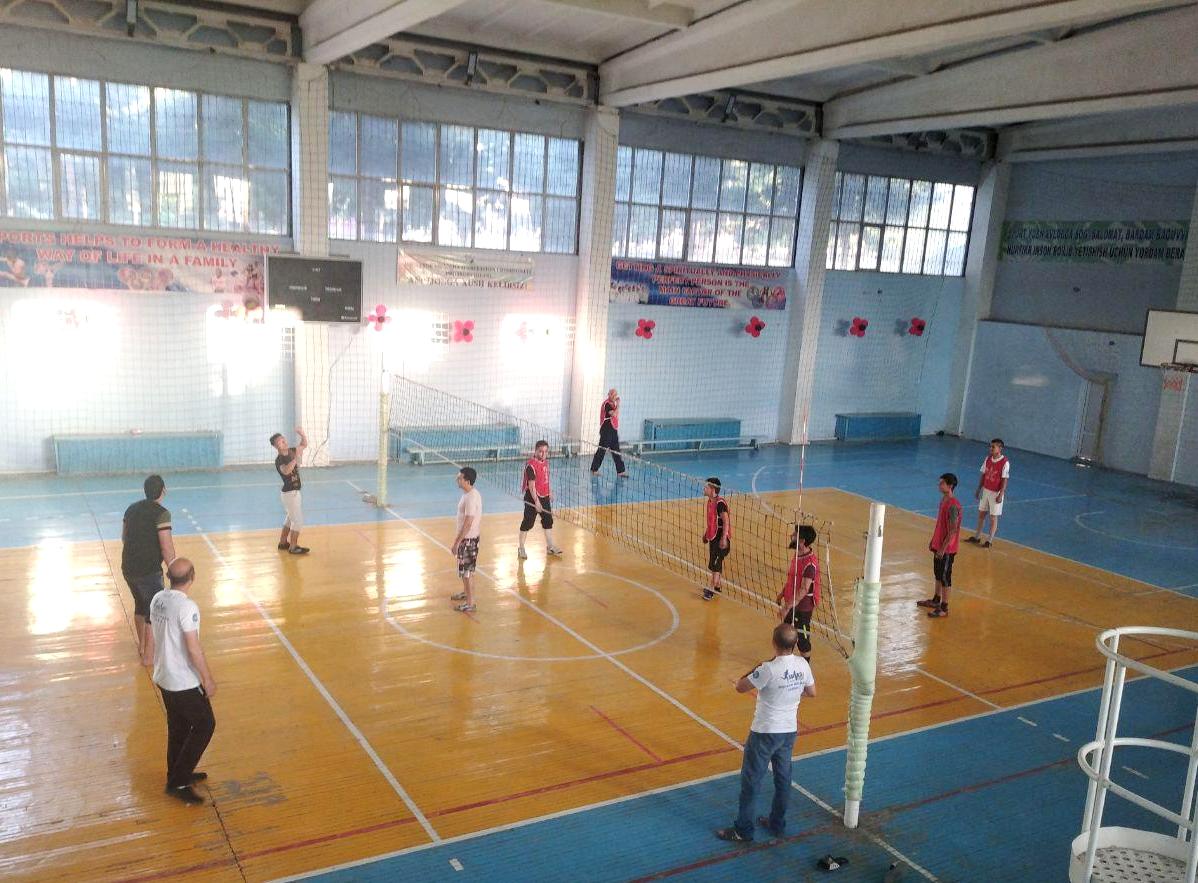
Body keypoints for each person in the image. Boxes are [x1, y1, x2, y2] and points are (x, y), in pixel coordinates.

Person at [715, 624, 816, 843]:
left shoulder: (768, 669)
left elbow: (740, 687)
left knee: (751, 781)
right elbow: (811, 692)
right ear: (795, 643)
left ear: (774, 643)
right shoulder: (802, 664)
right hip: (789, 731)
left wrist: (758, 668)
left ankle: (743, 830)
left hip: (765, 732)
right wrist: (790, 691)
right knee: (783, 779)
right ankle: (777, 823)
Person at [142, 558, 216, 806]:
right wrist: (207, 679)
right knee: (205, 725)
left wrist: (149, 659)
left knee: (179, 728)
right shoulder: (187, 607)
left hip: (163, 675)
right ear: (192, 577)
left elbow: (152, 633)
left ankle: (176, 772)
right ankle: (179, 781)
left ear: (168, 576)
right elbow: (193, 649)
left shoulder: (157, 599)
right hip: (182, 680)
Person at [121, 475, 176, 658]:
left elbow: (124, 537)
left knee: (140, 605)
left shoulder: (131, 509)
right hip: (148, 569)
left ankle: (143, 646)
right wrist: (174, 570)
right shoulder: (162, 513)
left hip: (128, 567)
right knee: (154, 610)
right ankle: (149, 655)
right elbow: (166, 546)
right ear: (163, 491)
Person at [918, 473, 962, 618]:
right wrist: (934, 541)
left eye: (942, 483)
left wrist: (943, 549)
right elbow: (940, 525)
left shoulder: (953, 506)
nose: (939, 485)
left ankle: (944, 607)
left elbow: (953, 530)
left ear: (950, 486)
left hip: (947, 549)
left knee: (945, 577)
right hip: (939, 545)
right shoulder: (944, 501)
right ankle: (936, 600)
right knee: (938, 574)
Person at [777, 525, 819, 660]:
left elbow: (803, 590)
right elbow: (792, 578)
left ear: (802, 540)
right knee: (785, 634)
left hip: (802, 608)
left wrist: (786, 607)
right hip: (791, 602)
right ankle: (784, 661)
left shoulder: (810, 565)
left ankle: (806, 668)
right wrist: (783, 593)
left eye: (794, 535)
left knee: (802, 640)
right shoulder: (797, 555)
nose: (791, 536)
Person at [518, 440, 562, 560]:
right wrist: (536, 502)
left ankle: (550, 547)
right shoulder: (530, 465)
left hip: (545, 495)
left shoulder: (545, 463)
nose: (543, 454)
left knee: (548, 520)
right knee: (528, 522)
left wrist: (550, 491)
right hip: (532, 497)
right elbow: (531, 487)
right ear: (535, 451)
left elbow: (546, 478)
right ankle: (521, 548)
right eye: (540, 451)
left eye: (545, 452)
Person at [271, 428, 309, 554]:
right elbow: (286, 471)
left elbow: (304, 445)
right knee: (297, 521)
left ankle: (283, 543)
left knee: (289, 519)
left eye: (284, 440)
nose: (284, 442)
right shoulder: (279, 460)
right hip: (290, 494)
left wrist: (302, 434)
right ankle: (293, 546)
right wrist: (296, 459)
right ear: (276, 447)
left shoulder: (292, 451)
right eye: (281, 442)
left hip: (293, 493)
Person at [967, 438, 1010, 548]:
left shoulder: (1005, 462)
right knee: (981, 514)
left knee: (993, 517)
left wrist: (1001, 494)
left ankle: (989, 540)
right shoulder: (988, 459)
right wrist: (979, 488)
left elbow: (1004, 479)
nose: (990, 448)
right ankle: (977, 537)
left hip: (995, 492)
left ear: (1000, 448)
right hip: (986, 490)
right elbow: (983, 474)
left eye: (993, 447)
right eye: (990, 446)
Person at [451, 467, 483, 613]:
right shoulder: (468, 494)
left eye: (460, 478)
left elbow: (468, 522)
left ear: (467, 481)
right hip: (467, 539)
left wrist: (457, 542)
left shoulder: (471, 497)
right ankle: (466, 593)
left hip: (468, 540)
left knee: (467, 572)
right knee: (465, 570)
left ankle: (470, 603)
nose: (457, 480)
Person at [702, 477, 731, 600]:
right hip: (713, 538)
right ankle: (718, 586)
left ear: (713, 489)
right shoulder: (710, 502)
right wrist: (705, 534)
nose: (704, 488)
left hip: (721, 540)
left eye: (706, 487)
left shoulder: (720, 503)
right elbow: (711, 522)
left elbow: (726, 521)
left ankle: (711, 589)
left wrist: (724, 538)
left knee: (715, 564)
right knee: (714, 563)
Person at [590, 388, 628, 477]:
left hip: (613, 430)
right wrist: (618, 405)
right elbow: (614, 414)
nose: (615, 397)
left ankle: (621, 471)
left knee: (616, 451)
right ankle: (594, 469)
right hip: (606, 430)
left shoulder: (613, 404)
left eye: (616, 395)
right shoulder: (607, 404)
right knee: (602, 450)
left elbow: (616, 415)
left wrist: (616, 405)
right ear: (609, 395)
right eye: (613, 395)